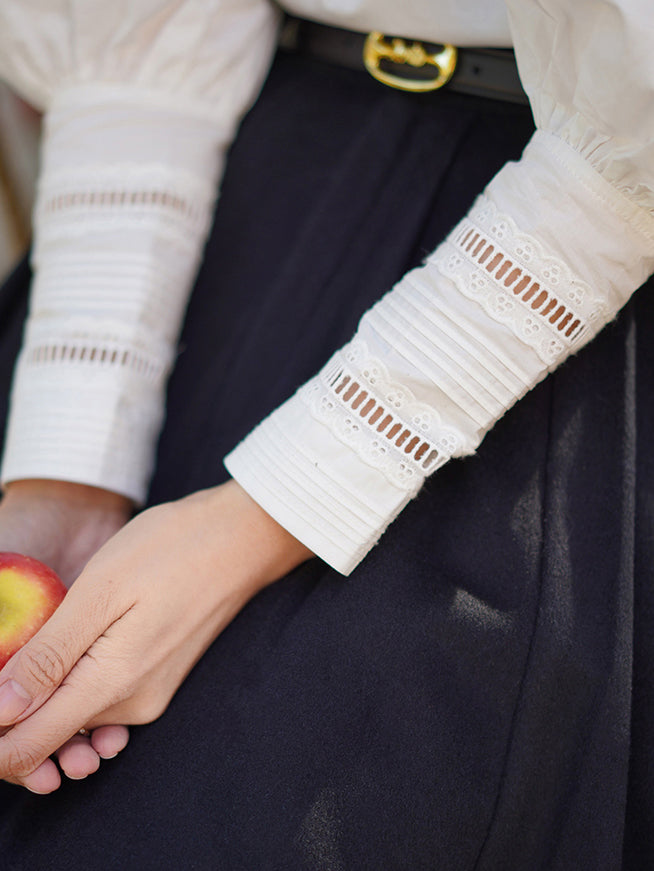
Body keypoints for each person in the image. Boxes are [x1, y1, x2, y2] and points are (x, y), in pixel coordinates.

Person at [0, 0, 652, 867]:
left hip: (561, 261)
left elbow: (624, 155)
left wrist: (269, 511)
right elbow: (138, 39)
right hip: (250, 169)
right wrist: (71, 468)